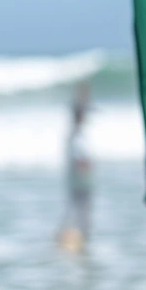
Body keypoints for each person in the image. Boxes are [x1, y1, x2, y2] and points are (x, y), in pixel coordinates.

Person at [58, 81, 93, 252]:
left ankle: (74, 241)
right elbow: (81, 162)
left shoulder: (74, 133)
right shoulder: (75, 135)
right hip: (80, 181)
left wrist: (84, 94)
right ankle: (75, 241)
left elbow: (80, 108)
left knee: (74, 212)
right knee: (79, 214)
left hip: (77, 181)